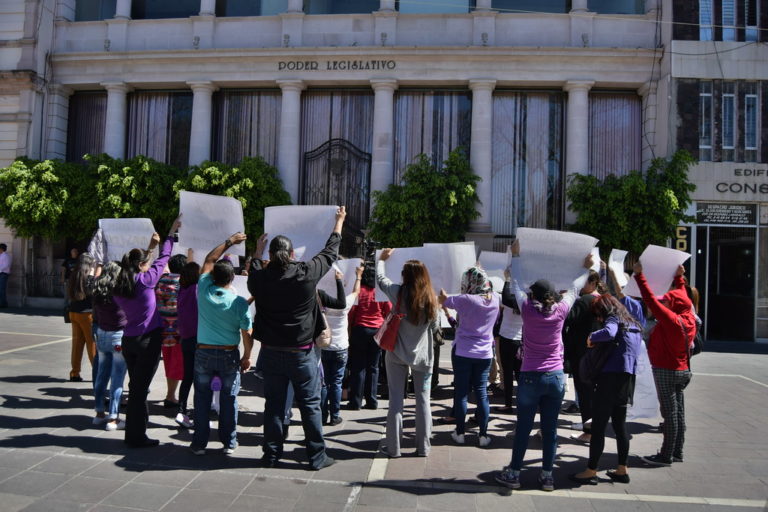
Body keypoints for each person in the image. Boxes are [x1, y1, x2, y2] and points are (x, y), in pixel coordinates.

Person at [247, 207, 346, 470]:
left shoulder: (260, 279)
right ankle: (316, 456)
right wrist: (338, 223)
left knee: (275, 407)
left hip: (270, 352)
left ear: (270, 255)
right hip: (301, 354)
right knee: (311, 405)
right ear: (292, 255)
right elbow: (329, 252)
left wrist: (257, 251)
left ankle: (271, 454)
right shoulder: (305, 273)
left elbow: (254, 267)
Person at [494, 239, 592, 492]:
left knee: (524, 428)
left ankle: (514, 473)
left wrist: (515, 256)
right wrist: (586, 267)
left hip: (530, 376)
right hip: (556, 377)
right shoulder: (560, 311)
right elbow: (574, 288)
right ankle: (547, 476)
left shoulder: (527, 308)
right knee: (550, 430)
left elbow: (515, 284)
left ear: (534, 295)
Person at [113, 216, 181, 448]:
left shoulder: (120, 285)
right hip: (147, 340)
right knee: (139, 390)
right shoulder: (145, 280)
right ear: (142, 266)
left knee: (137, 387)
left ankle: (136, 432)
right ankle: (135, 436)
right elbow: (164, 258)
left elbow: (153, 260)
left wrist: (150, 248)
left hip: (129, 339)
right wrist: (170, 236)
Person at [189, 233, 253, 456]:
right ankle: (229, 442)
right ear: (232, 279)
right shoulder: (238, 303)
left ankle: (199, 443)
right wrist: (247, 356)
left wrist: (229, 241)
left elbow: (208, 259)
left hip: (203, 353)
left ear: (213, 276)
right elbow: (247, 332)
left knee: (202, 399)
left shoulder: (204, 290)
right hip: (228, 355)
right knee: (229, 399)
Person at [569, 294, 643, 485]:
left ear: (604, 309)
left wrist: (591, 337)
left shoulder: (613, 318)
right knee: (620, 426)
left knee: (599, 426)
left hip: (609, 378)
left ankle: (591, 470)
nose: (599, 319)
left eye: (598, 315)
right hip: (627, 378)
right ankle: (622, 469)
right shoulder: (632, 322)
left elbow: (609, 333)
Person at [377, 248, 439, 458]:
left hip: (395, 353)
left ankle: (394, 448)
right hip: (422, 355)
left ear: (405, 276)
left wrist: (381, 260)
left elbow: (381, 280)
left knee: (396, 401)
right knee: (423, 400)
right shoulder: (432, 299)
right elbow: (434, 328)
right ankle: (423, 448)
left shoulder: (398, 293)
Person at [635, 263, 695, 466]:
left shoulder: (671, 320)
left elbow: (650, 300)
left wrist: (639, 276)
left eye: (667, 301)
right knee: (678, 412)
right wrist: (680, 278)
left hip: (666, 370)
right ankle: (678, 451)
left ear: (673, 305)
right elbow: (682, 294)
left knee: (669, 416)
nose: (664, 303)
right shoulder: (688, 316)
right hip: (683, 369)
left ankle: (666, 455)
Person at [440, 266, 499, 448]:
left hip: (463, 351)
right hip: (485, 353)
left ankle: (460, 432)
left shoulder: (466, 299)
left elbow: (443, 299)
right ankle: (483, 435)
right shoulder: (496, 299)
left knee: (461, 393)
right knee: (482, 393)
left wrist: (443, 293)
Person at [562, 270, 604, 444]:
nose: (580, 286)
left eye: (583, 282)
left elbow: (566, 318)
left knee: (585, 395)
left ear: (593, 283)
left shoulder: (585, 301)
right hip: (597, 352)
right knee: (592, 394)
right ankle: (594, 429)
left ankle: (589, 432)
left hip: (582, 353)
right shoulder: (602, 299)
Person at [320, 266, 362, 426]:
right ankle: (335, 415)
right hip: (340, 347)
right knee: (336, 382)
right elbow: (356, 292)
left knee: (324, 383)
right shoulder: (344, 305)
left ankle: (323, 415)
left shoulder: (321, 303)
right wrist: (358, 276)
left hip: (324, 346)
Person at [347, 262, 391, 410]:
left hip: (360, 329)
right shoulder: (381, 292)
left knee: (358, 367)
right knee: (373, 367)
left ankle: (355, 401)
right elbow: (388, 312)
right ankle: (372, 400)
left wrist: (350, 329)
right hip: (376, 330)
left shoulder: (359, 291)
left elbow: (352, 312)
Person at [91, 262, 128, 431]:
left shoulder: (98, 291)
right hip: (118, 335)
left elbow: (95, 315)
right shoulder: (120, 291)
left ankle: (99, 413)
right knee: (117, 377)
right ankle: (113, 417)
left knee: (101, 375)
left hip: (102, 333)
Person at [156, 254, 187, 409]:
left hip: (162, 329)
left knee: (169, 362)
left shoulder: (161, 281)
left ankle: (171, 394)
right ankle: (171, 396)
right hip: (178, 331)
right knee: (177, 363)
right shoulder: (183, 284)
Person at [175, 259, 200, 428]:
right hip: (198, 340)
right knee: (200, 379)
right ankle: (199, 411)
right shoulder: (196, 290)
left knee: (187, 377)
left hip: (185, 339)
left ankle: (181, 409)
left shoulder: (181, 291)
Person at [67, 253, 97, 382]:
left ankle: (75, 372)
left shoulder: (74, 275)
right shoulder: (89, 278)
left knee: (77, 344)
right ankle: (97, 373)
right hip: (87, 314)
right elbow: (92, 294)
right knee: (92, 345)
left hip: (73, 312)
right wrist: (92, 275)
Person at [497, 279, 524, 414]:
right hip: (521, 340)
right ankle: (522, 404)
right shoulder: (526, 302)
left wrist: (508, 280)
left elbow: (505, 298)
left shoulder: (509, 301)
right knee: (520, 375)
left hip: (507, 339)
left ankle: (508, 404)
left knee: (507, 373)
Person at [0, 243, 11, 308]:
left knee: (1, 289)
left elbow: (6, 265)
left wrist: (0, 270)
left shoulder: (6, 256)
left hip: (3, 273)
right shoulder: (1, 255)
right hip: (1, 273)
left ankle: (3, 304)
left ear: (1, 249)